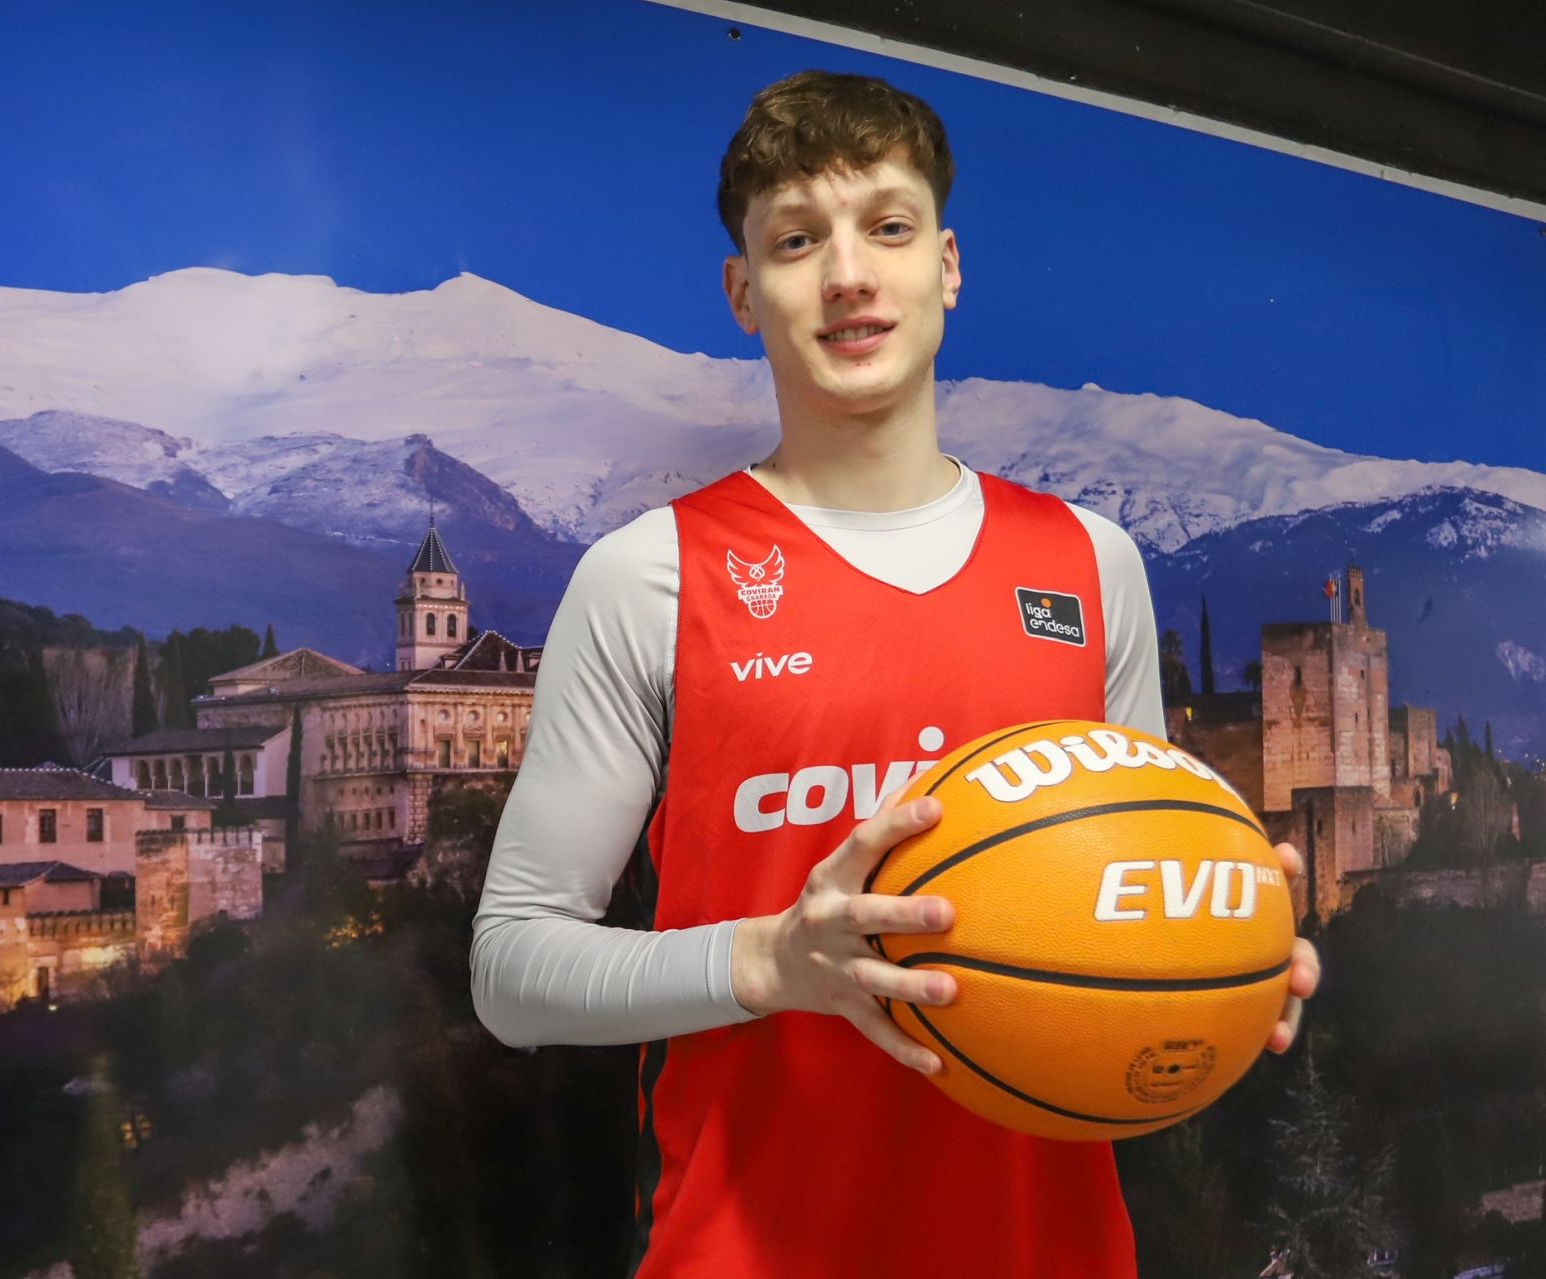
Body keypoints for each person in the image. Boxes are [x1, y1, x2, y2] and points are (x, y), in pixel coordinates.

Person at [470, 69, 1320, 1277]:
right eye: (796, 240)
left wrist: (1224, 958)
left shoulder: (1092, 563)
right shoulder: (650, 577)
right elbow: (512, 969)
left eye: (888, 226)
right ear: (743, 292)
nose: (849, 274)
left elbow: (1132, 891)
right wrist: (768, 961)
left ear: (947, 265)